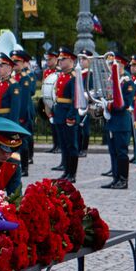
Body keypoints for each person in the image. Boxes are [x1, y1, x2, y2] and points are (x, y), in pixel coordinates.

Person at [101, 51, 131, 190]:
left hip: (121, 122)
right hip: (112, 122)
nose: (111, 66)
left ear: (122, 65)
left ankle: (123, 180)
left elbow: (124, 104)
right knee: (113, 152)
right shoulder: (111, 81)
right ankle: (115, 178)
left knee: (121, 152)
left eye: (115, 64)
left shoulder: (126, 82)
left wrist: (108, 105)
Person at [51, 48, 79, 182]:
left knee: (71, 145)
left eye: (63, 59)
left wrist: (71, 116)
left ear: (71, 60)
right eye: (60, 59)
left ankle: (72, 173)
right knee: (63, 144)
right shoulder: (62, 76)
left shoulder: (74, 77)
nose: (60, 62)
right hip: (60, 113)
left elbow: (76, 99)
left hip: (68, 114)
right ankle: (66, 171)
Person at [13, 51, 38, 175]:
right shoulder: (13, 77)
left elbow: (23, 99)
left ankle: (24, 168)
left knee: (23, 142)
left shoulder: (25, 78)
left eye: (17, 62)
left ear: (23, 63)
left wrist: (21, 116)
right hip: (14, 114)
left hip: (22, 114)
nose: (14, 64)